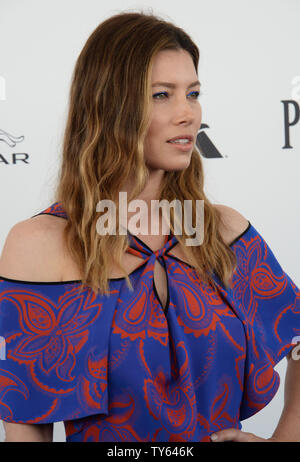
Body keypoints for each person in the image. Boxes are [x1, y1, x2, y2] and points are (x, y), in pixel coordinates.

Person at [0, 11, 300, 443]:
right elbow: (27, 427)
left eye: (193, 93)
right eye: (162, 94)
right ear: (109, 103)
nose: (188, 114)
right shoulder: (40, 244)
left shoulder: (223, 231)